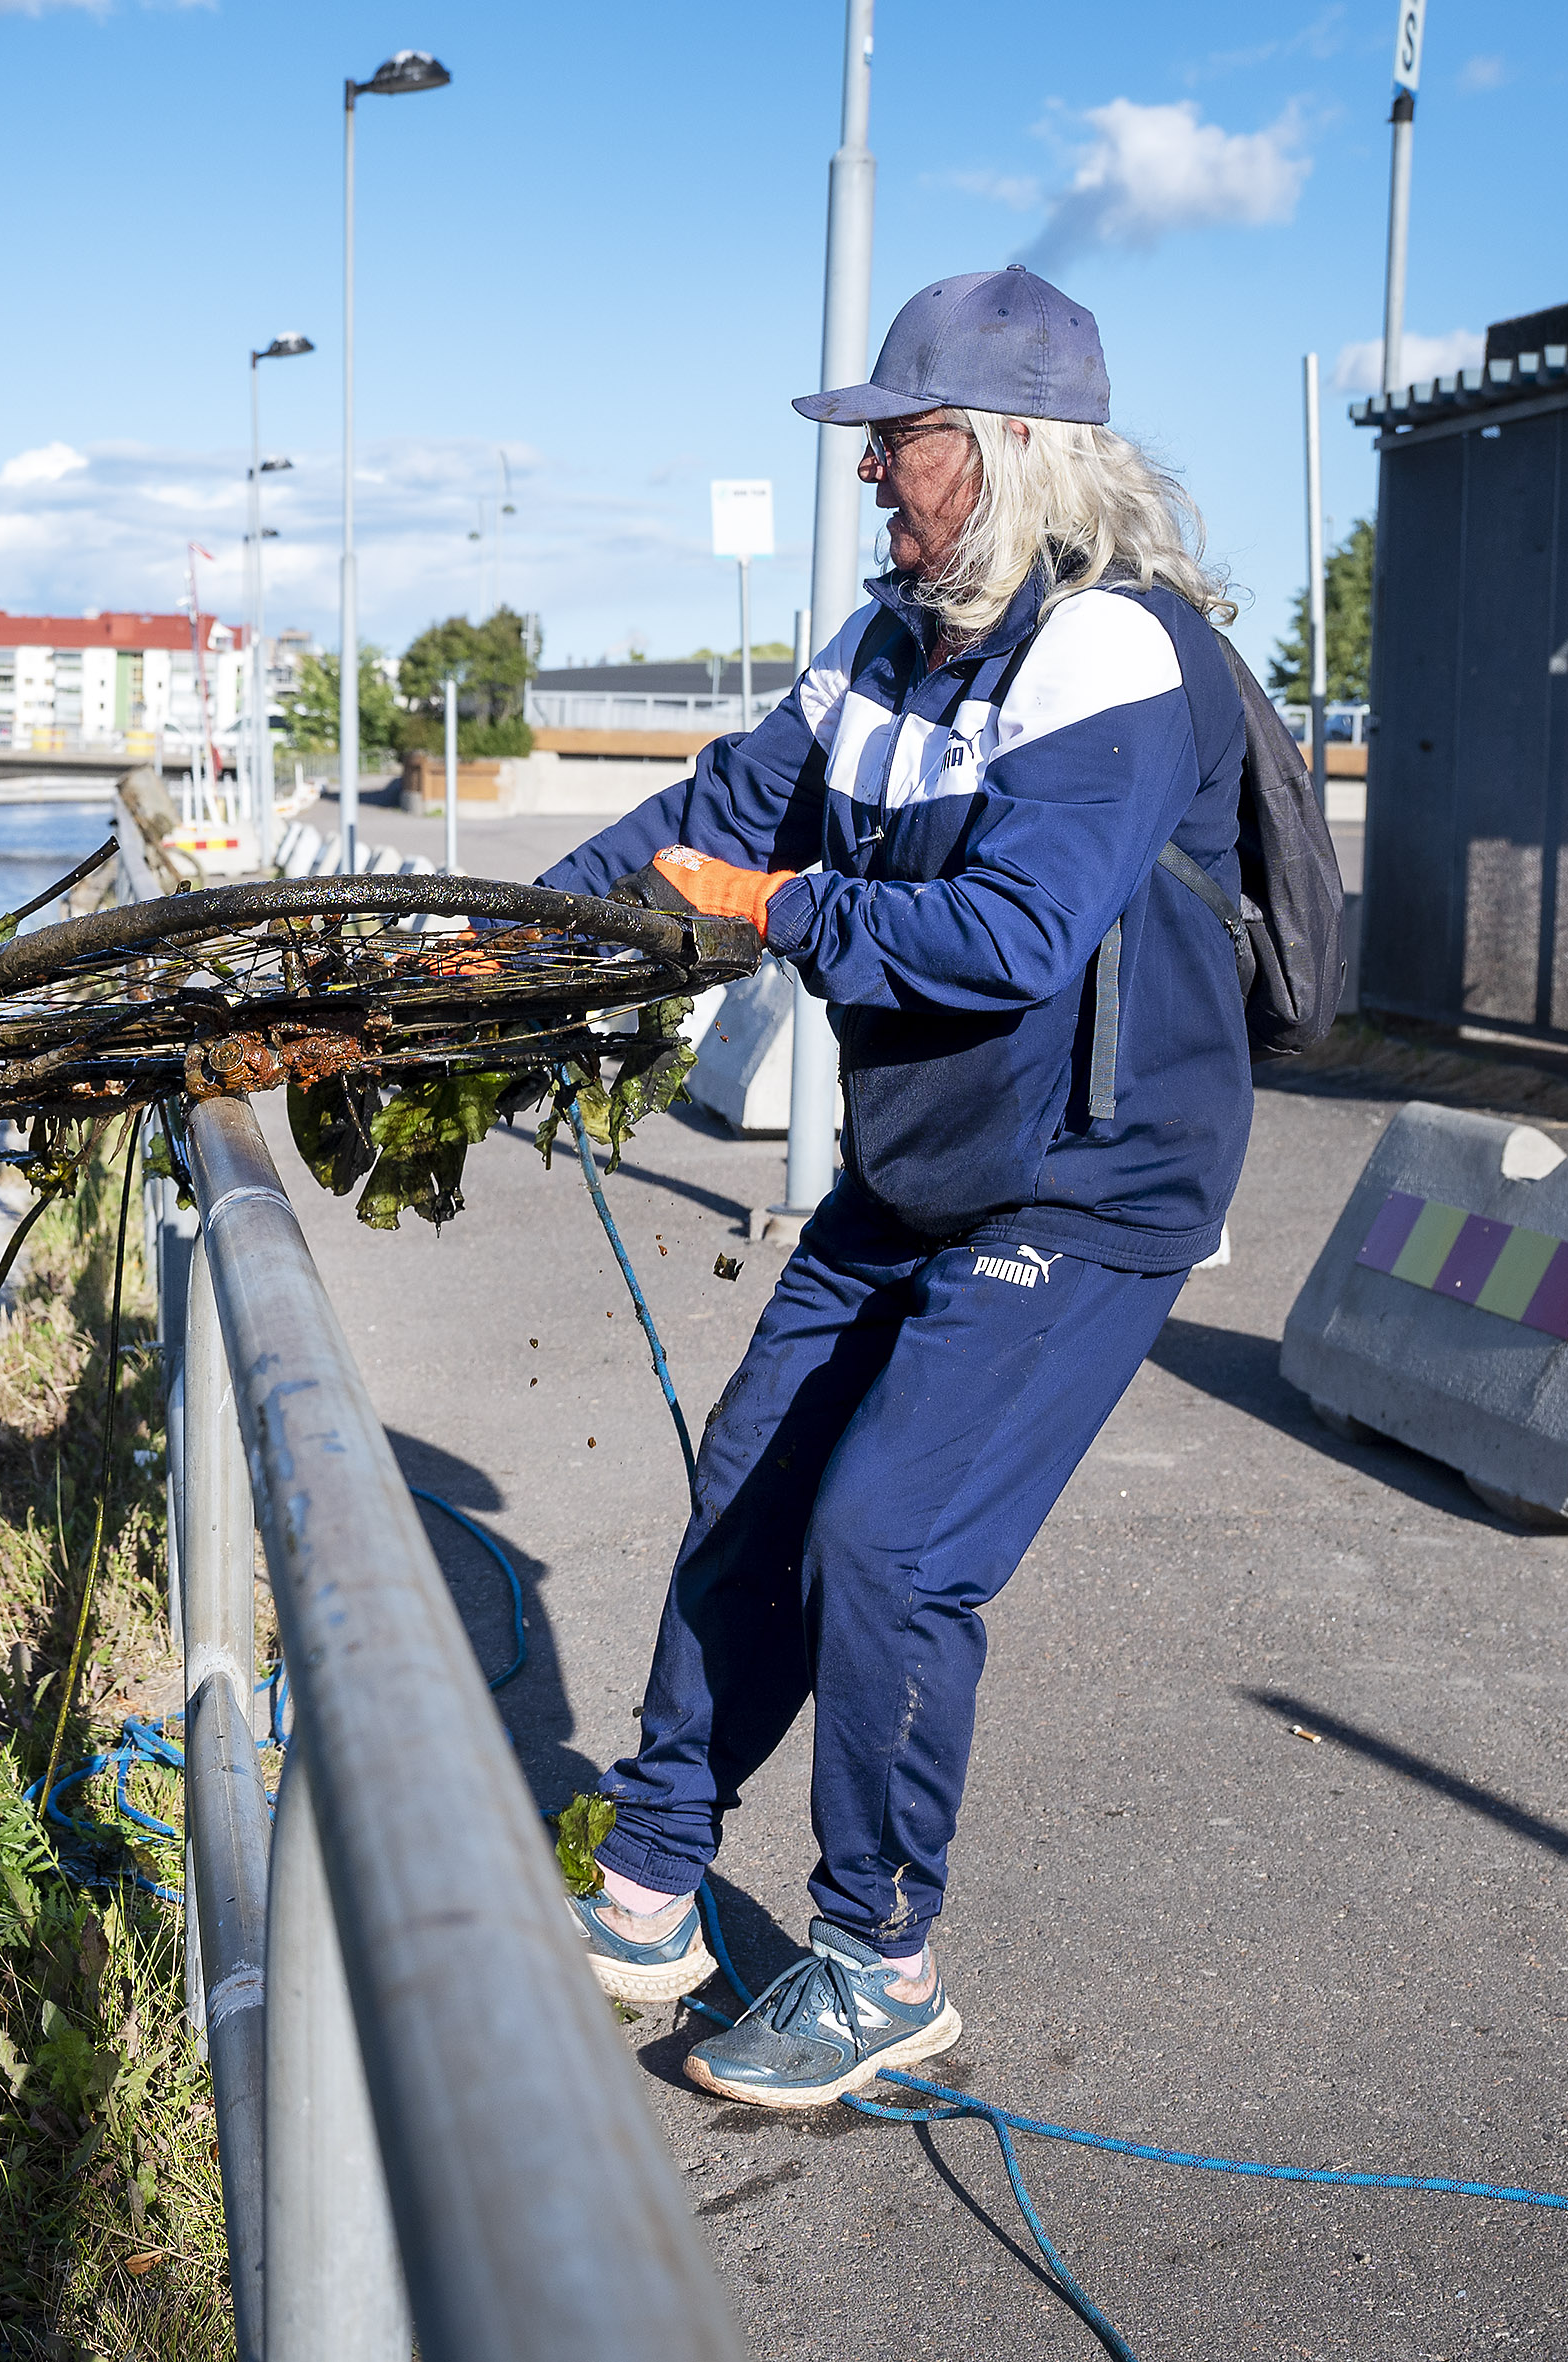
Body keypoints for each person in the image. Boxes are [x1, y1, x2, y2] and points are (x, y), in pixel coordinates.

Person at [532, 268, 1254, 2109]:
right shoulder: (877, 649)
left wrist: (768, 915)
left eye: (896, 439)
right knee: (745, 1491)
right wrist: (511, 943)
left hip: (1086, 1186)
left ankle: (875, 1957)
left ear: (1012, 449)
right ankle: (652, 1883)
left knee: (889, 1544)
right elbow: (699, 822)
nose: (869, 475)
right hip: (919, 1165)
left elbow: (1010, 935)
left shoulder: (1114, 651)